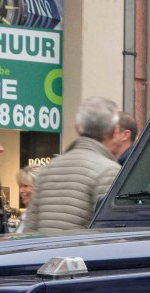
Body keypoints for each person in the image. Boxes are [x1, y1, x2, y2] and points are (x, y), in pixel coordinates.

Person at [23, 97, 121, 232]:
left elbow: (30, 229)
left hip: (46, 252)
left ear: (77, 127)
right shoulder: (110, 171)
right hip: (82, 253)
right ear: (115, 132)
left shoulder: (48, 170)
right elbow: (109, 234)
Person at [14, 164, 41, 231]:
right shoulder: (25, 215)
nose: (21, 191)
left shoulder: (42, 218)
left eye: (25, 186)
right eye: (20, 186)